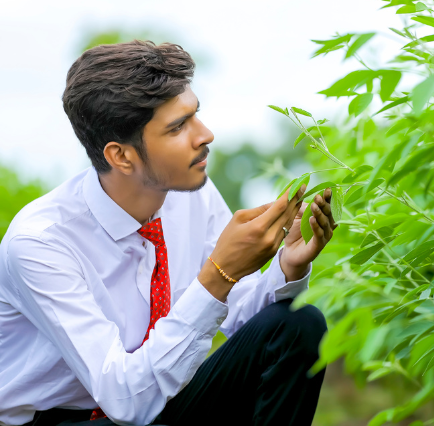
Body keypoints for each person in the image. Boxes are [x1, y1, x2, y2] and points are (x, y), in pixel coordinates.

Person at [0, 40, 338, 426]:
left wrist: (287, 267)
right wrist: (216, 276)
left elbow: (242, 319)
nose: (205, 135)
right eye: (178, 127)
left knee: (297, 325)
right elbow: (125, 402)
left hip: (158, 400)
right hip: (63, 419)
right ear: (121, 156)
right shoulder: (41, 242)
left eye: (195, 115)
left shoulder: (190, 196)